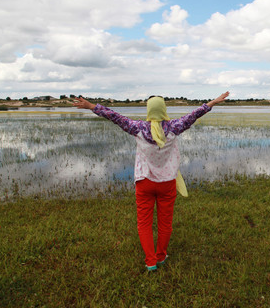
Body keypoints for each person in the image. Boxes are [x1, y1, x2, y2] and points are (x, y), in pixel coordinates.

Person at [73, 92, 230, 272]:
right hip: (167, 183)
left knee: (144, 224)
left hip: (144, 182)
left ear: (149, 110)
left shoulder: (137, 128)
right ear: (163, 110)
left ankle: (151, 261)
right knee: (165, 223)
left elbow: (114, 116)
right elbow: (195, 114)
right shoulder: (174, 127)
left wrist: (92, 106)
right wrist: (214, 102)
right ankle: (161, 256)